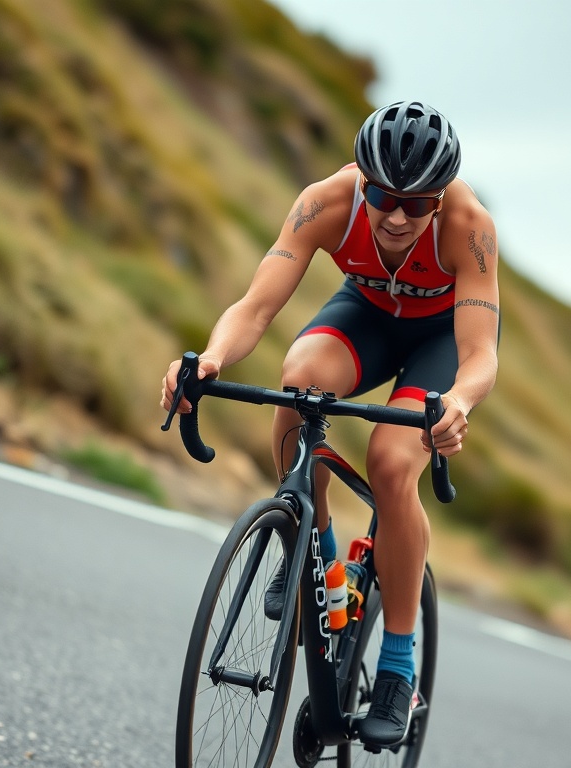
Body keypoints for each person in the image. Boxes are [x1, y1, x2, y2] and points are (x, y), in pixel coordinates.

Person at [161, 101, 499, 746]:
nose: (396, 216)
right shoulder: (326, 202)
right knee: (298, 383)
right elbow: (255, 306)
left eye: (415, 204)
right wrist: (209, 359)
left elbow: (481, 352)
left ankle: (397, 665)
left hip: (440, 342)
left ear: (439, 200)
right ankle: (314, 555)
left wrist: (458, 401)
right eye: (382, 196)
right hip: (366, 319)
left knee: (392, 464)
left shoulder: (468, 226)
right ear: (361, 179)